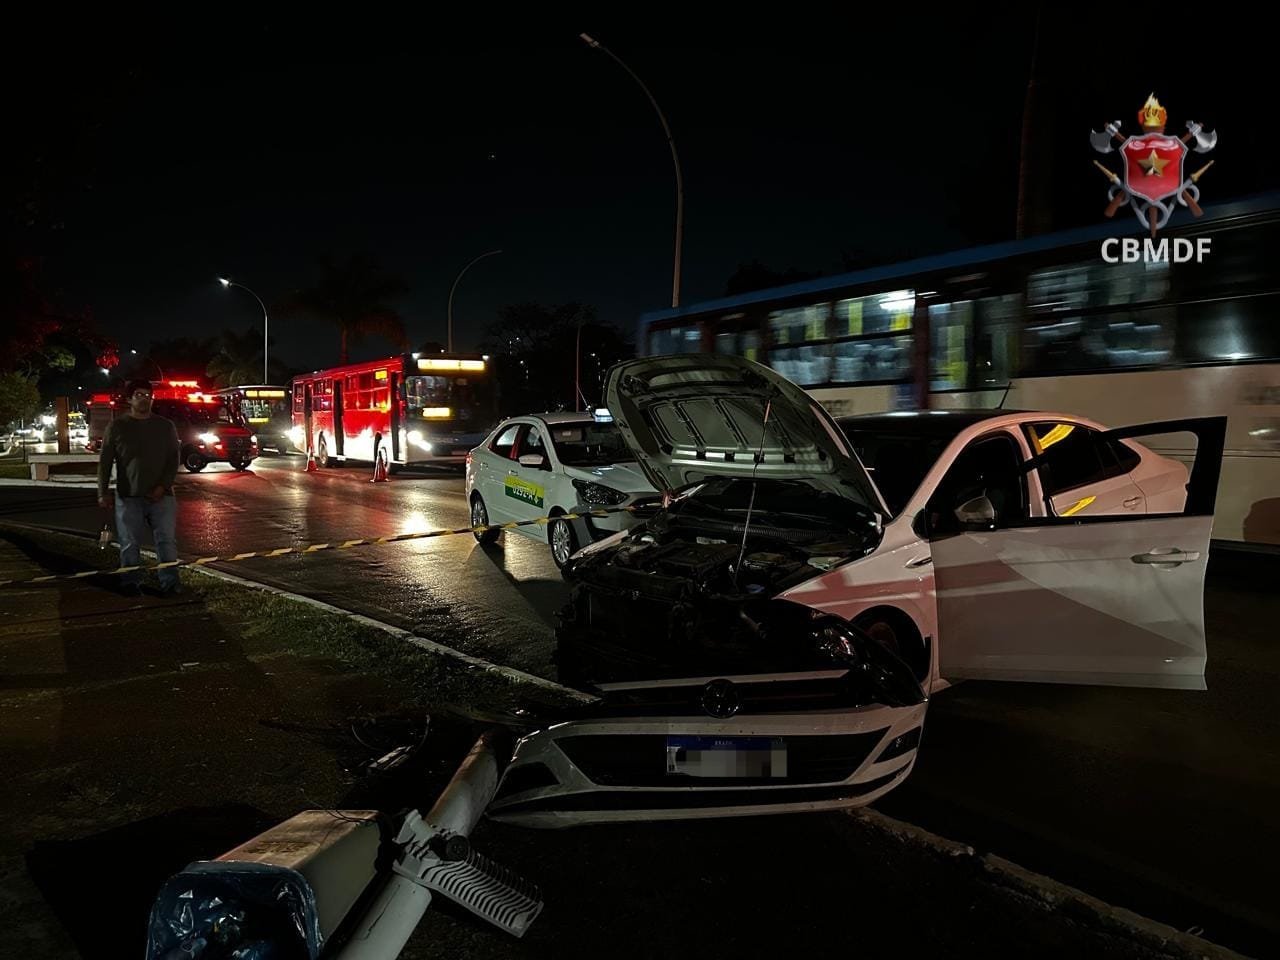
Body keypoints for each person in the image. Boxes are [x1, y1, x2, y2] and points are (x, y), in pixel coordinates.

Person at [97, 379, 182, 597]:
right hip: (128, 495)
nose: (144, 399)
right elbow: (105, 461)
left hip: (162, 496)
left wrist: (163, 486)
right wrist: (102, 491)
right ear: (129, 399)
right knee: (128, 543)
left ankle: (170, 583)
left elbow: (173, 460)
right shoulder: (117, 427)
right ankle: (130, 582)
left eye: (147, 395)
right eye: (138, 395)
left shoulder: (165, 426)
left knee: (166, 542)